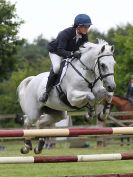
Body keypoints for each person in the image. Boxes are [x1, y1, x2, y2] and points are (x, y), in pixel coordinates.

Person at [40, 14, 92, 103]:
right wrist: (72, 54)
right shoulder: (65, 33)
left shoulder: (84, 36)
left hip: (69, 53)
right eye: (85, 26)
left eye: (88, 26)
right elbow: (60, 51)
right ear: (78, 26)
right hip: (56, 52)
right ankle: (46, 92)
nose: (87, 28)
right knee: (56, 68)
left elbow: (84, 48)